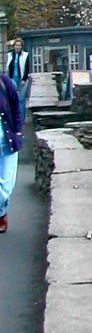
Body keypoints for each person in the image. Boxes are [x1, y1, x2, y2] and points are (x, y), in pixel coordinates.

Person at [0, 71, 23, 233]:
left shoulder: (4, 81)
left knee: (7, 183)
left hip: (8, 140)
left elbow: (16, 104)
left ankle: (1, 211)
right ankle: (1, 214)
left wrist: (18, 130)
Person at [6, 37, 31, 124]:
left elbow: (27, 68)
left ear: (21, 47)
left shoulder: (25, 55)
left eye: (19, 45)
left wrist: (24, 79)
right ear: (13, 46)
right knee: (12, 98)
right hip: (12, 78)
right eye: (16, 45)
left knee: (21, 99)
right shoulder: (9, 55)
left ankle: (21, 119)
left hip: (22, 78)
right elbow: (7, 67)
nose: (17, 47)